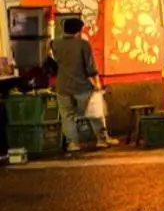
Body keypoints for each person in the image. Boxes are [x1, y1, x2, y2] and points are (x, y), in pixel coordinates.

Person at [47, 18, 117, 151]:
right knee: (95, 113)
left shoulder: (54, 43)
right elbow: (90, 67)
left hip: (62, 87)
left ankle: (73, 144)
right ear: (79, 30)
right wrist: (97, 83)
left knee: (67, 116)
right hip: (82, 86)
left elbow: (51, 61)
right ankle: (101, 140)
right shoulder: (83, 44)